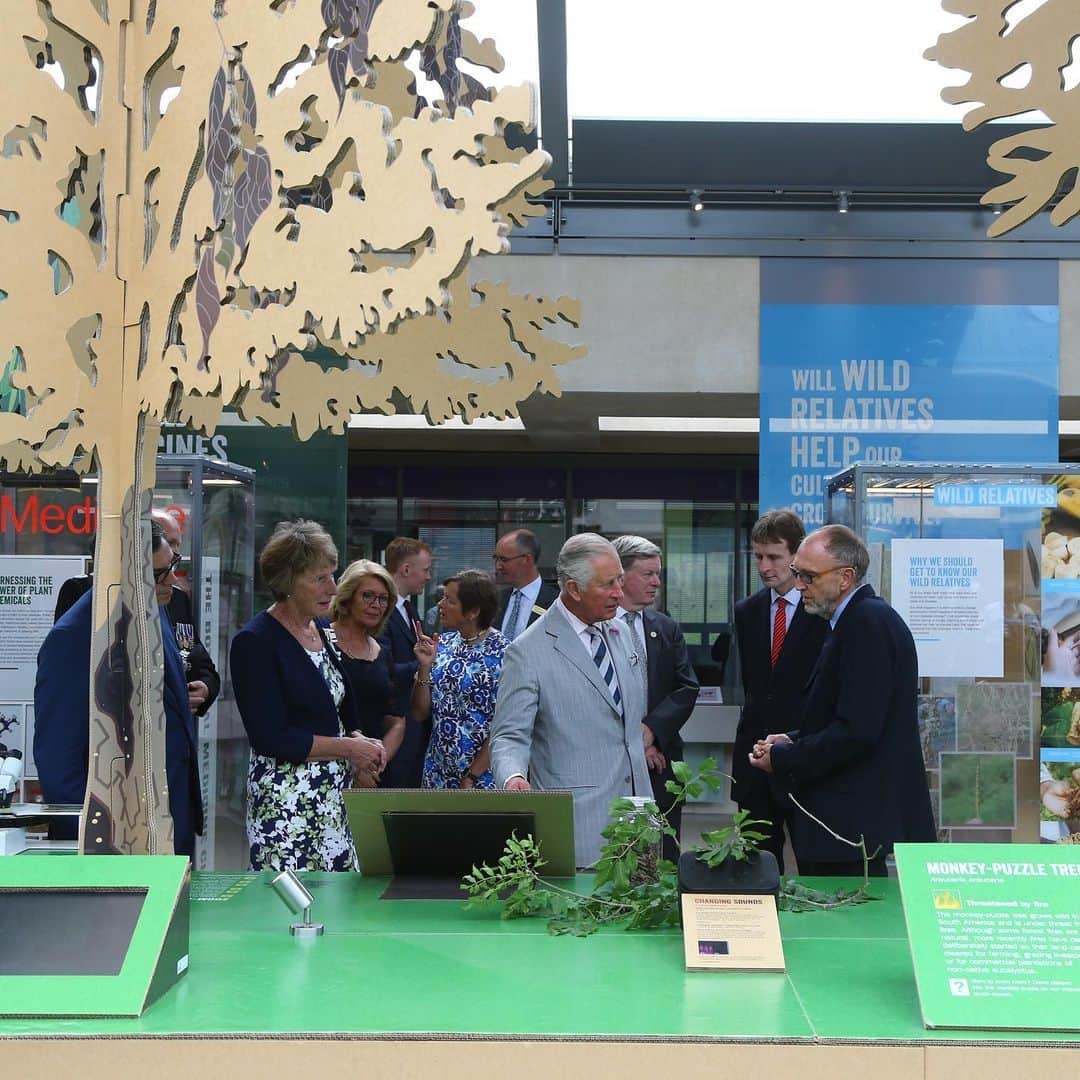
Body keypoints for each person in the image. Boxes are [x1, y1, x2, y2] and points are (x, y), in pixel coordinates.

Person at [748, 524, 936, 877]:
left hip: (851, 825)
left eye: (808, 576)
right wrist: (792, 738)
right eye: (796, 573)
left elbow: (858, 731)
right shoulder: (852, 620)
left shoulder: (867, 623)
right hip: (846, 822)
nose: (799, 584)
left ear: (846, 577)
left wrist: (785, 757)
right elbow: (845, 713)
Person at [35, 519, 203, 856]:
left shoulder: (155, 611)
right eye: (159, 573)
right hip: (118, 840)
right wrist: (94, 844)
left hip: (170, 823)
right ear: (123, 575)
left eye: (173, 566)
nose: (172, 579)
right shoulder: (75, 638)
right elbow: (59, 758)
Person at [230, 520, 387, 871]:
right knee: (289, 915)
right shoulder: (255, 642)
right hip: (288, 806)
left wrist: (361, 738)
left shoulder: (319, 628)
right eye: (320, 578)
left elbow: (340, 703)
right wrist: (350, 748)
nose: (333, 588)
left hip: (333, 802)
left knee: (338, 911)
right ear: (287, 582)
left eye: (332, 575)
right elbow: (270, 737)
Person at [490, 533, 651, 867]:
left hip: (638, 825)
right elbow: (508, 736)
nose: (619, 594)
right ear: (574, 589)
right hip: (580, 830)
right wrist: (513, 778)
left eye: (620, 581)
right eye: (608, 585)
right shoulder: (527, 651)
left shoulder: (621, 633)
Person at [732, 510, 828, 872]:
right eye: (758, 556)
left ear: (796, 556)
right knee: (757, 867)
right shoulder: (749, 611)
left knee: (815, 864)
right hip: (756, 759)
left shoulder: (822, 611)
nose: (764, 566)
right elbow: (756, 688)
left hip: (804, 754)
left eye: (774, 556)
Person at [612, 534, 699, 861]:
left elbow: (686, 687)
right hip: (614, 769)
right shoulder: (598, 628)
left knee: (661, 863)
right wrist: (636, 741)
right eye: (647, 574)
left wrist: (651, 732)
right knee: (624, 862)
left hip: (661, 767)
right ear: (621, 576)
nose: (657, 582)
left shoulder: (665, 628)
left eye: (658, 573)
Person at [412, 570, 507, 789]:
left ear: (473, 612)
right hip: (437, 773)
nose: (440, 605)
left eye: (449, 600)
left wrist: (472, 776)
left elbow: (504, 725)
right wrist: (425, 667)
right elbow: (419, 713)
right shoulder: (442, 644)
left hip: (482, 778)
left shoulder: (506, 653)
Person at [327, 559, 406, 764]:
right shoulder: (320, 641)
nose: (376, 605)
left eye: (383, 599)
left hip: (372, 772)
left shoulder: (383, 652)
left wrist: (376, 763)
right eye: (367, 595)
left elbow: (396, 720)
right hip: (325, 765)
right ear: (347, 597)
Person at [151, 507, 221, 717]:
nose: (174, 553)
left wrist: (205, 688)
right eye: (167, 543)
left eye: (176, 545)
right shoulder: (85, 592)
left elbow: (196, 655)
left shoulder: (177, 599)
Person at [381, 536, 434, 787]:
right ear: (405, 569)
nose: (428, 577)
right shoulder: (382, 610)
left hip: (412, 721)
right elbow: (381, 666)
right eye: (425, 570)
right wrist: (424, 665)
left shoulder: (410, 610)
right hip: (392, 720)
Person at [494, 528, 557, 642]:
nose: (498, 566)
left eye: (504, 559)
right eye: (496, 559)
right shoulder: (495, 600)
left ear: (527, 559)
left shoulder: (556, 602)